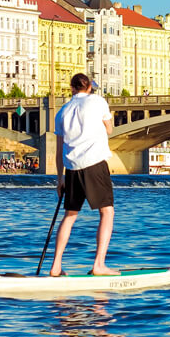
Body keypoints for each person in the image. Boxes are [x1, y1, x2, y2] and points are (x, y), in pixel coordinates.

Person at [50, 73, 119, 277]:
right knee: (107, 212)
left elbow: (58, 149)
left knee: (70, 215)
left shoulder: (62, 111)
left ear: (72, 88)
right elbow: (109, 129)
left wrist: (60, 179)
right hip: (94, 163)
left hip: (71, 168)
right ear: (89, 87)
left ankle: (55, 267)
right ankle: (99, 264)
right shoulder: (98, 101)